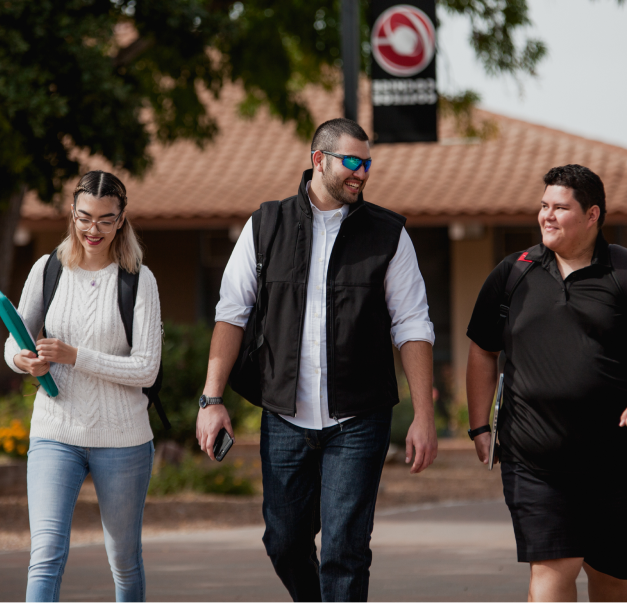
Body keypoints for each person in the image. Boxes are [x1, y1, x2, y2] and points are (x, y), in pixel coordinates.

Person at [196, 117, 437, 602]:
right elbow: (232, 314)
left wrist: (424, 416)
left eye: (367, 164)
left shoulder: (389, 234)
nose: (362, 173)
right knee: (283, 543)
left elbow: (412, 325)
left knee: (344, 551)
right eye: (351, 162)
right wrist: (211, 399)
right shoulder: (265, 224)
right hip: (285, 418)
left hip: (359, 418)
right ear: (318, 161)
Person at [466, 164, 627, 603]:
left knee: (612, 577)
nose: (547, 216)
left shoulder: (621, 271)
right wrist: (480, 427)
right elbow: (482, 348)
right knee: (555, 567)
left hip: (613, 457)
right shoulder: (513, 273)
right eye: (543, 206)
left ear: (592, 215)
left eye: (560, 207)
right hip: (533, 456)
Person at [5, 170, 162, 603]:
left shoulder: (138, 280)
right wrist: (23, 360)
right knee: (46, 553)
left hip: (123, 439)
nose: (94, 229)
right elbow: (13, 341)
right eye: (85, 217)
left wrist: (76, 356)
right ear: (72, 213)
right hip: (56, 431)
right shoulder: (48, 269)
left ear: (122, 218)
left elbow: (146, 369)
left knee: (124, 560)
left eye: (106, 219)